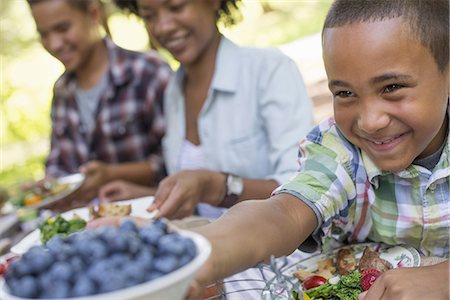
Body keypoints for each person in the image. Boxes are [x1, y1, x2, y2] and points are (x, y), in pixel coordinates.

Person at [176, 0, 449, 299]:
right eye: (345, 93)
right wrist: (192, 251)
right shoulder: (343, 150)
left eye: (392, 87)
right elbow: (284, 214)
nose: (369, 121)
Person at [99, 0, 314, 219]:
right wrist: (149, 197)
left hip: (278, 251)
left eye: (176, 7)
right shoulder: (174, 91)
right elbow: (202, 207)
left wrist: (217, 186)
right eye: (149, 16)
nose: (163, 26)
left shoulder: (268, 70)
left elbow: (303, 189)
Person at [26, 0, 171, 209]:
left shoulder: (148, 72)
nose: (54, 44)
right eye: (44, 34)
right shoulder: (62, 90)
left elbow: (175, 161)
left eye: (63, 28)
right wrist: (47, 188)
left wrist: (112, 174)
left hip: (150, 215)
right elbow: (59, 166)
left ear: (94, 14)